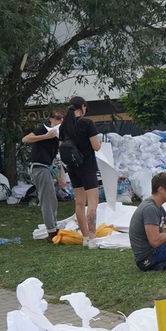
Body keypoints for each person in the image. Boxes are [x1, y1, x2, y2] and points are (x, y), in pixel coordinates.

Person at [59, 96, 101, 249]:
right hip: (87, 166)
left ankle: (84, 237)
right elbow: (96, 147)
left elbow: (61, 146)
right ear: (83, 106)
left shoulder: (64, 126)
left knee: (79, 203)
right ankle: (93, 238)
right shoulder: (87, 123)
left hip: (72, 167)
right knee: (93, 203)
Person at [23, 109, 67, 243]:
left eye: (62, 119)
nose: (60, 121)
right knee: (47, 199)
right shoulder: (44, 130)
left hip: (46, 167)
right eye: (58, 118)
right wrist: (45, 136)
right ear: (51, 119)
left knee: (52, 199)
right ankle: (51, 231)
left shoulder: (56, 136)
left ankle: (53, 226)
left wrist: (59, 178)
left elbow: (53, 159)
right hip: (39, 167)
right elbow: (26, 139)